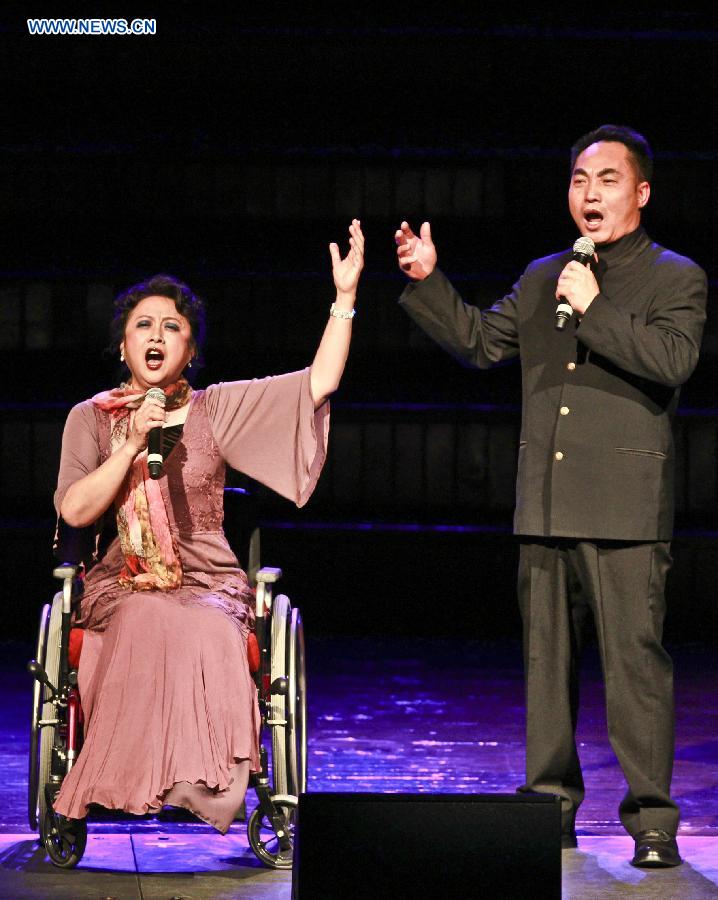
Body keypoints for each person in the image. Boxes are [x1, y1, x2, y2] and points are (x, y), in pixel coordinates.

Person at [395, 126, 706, 867]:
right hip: (545, 502)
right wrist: (428, 280)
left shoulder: (675, 276)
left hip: (626, 508)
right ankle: (549, 805)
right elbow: (478, 341)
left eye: (605, 179)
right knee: (546, 665)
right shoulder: (544, 275)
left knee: (635, 668)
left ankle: (653, 821)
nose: (589, 193)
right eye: (578, 180)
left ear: (641, 193)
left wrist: (595, 306)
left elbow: (673, 361)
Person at [52, 220, 364, 833]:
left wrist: (345, 299)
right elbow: (75, 511)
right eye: (143, 324)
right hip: (126, 583)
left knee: (214, 632)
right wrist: (132, 442)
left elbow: (315, 386)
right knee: (146, 615)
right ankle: (132, 782)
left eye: (172, 327)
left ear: (190, 351)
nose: (156, 335)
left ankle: (207, 787)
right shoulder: (88, 419)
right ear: (122, 346)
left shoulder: (214, 408)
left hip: (208, 583)